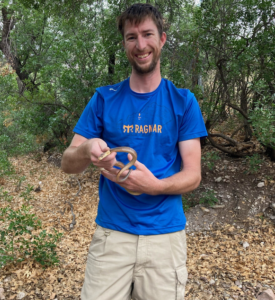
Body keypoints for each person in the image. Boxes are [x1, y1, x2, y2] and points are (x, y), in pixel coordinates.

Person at [61, 3, 207, 300]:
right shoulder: (104, 98)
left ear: (162, 39)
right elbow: (67, 163)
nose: (140, 45)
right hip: (112, 236)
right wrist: (87, 147)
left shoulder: (183, 101)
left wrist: (155, 187)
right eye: (131, 37)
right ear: (124, 43)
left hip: (165, 236)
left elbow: (193, 175)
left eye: (147, 34)